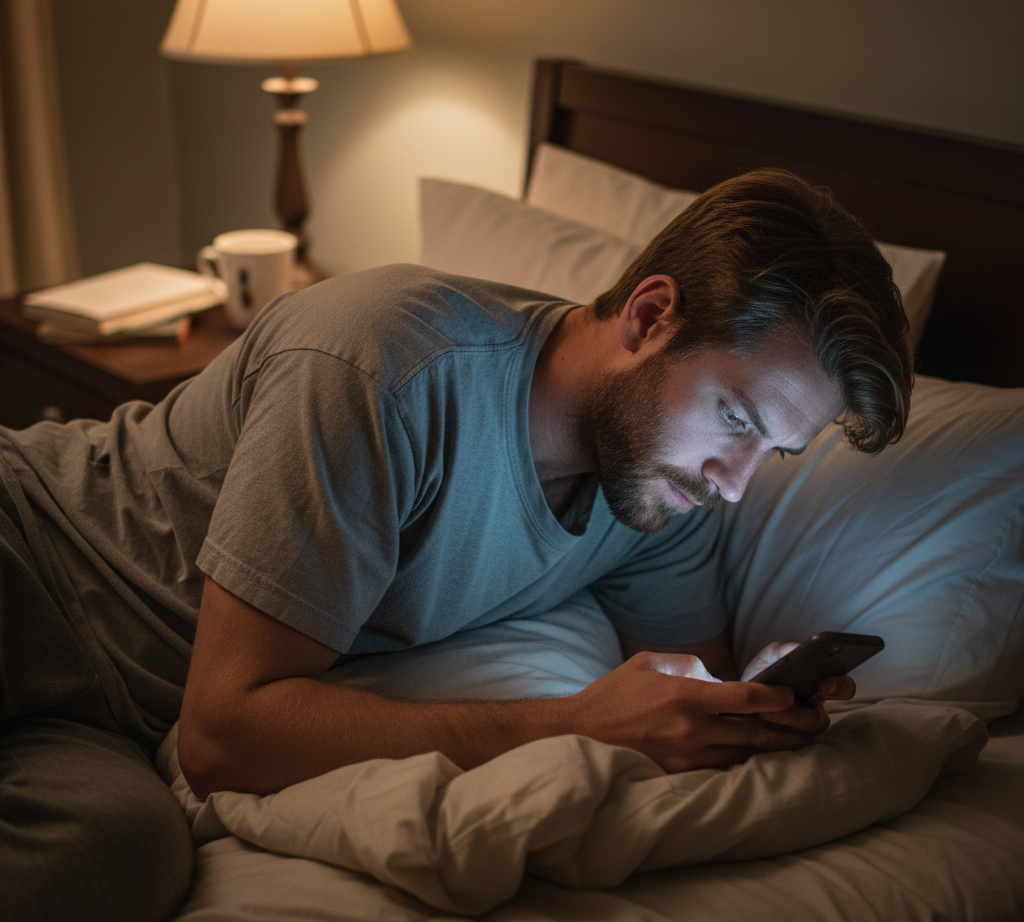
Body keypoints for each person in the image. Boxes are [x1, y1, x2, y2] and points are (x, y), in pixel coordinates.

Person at [0, 168, 912, 921]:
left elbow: (683, 685)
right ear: (647, 316)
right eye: (736, 418)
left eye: (774, 451)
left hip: (98, 723)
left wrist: (755, 705)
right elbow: (226, 731)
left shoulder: (660, 496)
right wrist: (567, 725)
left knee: (118, 860)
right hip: (25, 566)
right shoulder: (383, 366)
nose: (734, 482)